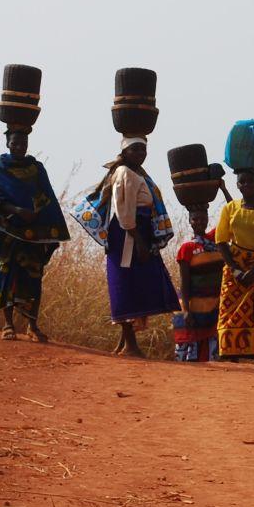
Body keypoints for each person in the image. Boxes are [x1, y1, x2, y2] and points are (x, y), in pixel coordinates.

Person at [0, 127, 70, 341]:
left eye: (23, 144)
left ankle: (32, 326)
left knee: (33, 277)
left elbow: (47, 195)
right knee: (6, 273)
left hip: (33, 232)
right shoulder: (1, 166)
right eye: (15, 143)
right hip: (8, 230)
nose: (19, 147)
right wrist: (17, 211)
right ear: (8, 143)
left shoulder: (36, 168)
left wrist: (40, 214)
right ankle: (8, 324)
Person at [95, 137, 179, 356]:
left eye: (144, 149)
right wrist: (139, 241)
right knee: (126, 285)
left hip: (136, 233)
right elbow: (124, 211)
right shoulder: (125, 173)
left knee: (134, 283)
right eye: (135, 149)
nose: (141, 153)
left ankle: (124, 343)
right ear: (125, 151)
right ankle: (130, 345)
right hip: (128, 235)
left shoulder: (137, 173)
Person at [214, 167, 254, 363]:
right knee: (228, 310)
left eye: (250, 181)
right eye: (242, 182)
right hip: (235, 264)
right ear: (237, 185)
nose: (246, 185)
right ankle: (230, 354)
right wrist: (235, 269)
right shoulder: (230, 208)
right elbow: (221, 240)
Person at [172, 179, 228, 363]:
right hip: (194, 305)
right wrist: (186, 310)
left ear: (207, 219)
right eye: (195, 219)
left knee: (213, 355)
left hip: (214, 305)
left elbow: (234, 216)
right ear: (189, 222)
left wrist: (223, 189)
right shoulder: (187, 249)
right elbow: (185, 282)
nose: (199, 222)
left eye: (202, 218)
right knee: (191, 354)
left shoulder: (215, 239)